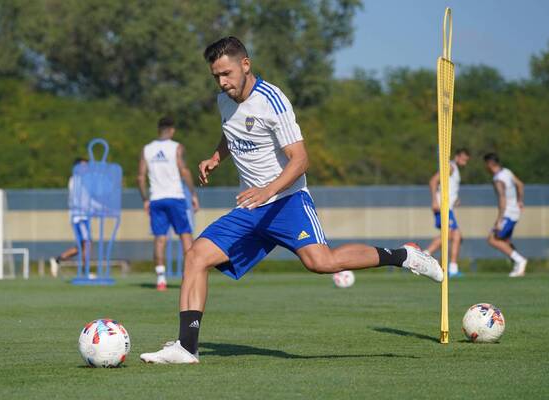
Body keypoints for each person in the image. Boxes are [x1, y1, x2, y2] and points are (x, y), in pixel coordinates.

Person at [140, 36, 443, 364]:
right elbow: (233, 132)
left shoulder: (273, 99)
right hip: (251, 208)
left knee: (321, 263)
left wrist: (267, 190)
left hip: (287, 201)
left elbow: (300, 160)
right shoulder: (224, 101)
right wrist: (216, 156)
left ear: (246, 64)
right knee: (196, 256)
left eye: (226, 73)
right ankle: (187, 347)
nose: (222, 82)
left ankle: (402, 256)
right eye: (216, 76)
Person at [137, 117, 199, 291]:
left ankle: (161, 279)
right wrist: (193, 194)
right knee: (185, 235)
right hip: (176, 197)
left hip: (156, 199)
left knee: (160, 239)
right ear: (172, 130)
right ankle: (190, 275)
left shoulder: (147, 149)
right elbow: (184, 170)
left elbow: (140, 177)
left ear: (159, 130)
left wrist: (145, 200)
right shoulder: (176, 147)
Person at [425, 148, 470, 277]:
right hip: (441, 206)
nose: (465, 162)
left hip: (448, 207)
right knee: (451, 234)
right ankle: (424, 255)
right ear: (457, 156)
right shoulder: (450, 167)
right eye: (463, 159)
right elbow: (433, 181)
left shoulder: (455, 169)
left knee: (456, 235)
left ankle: (453, 268)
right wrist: (434, 201)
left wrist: (455, 199)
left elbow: (449, 188)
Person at [484, 153, 527, 277]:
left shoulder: (498, 179)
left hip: (508, 213)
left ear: (490, 164)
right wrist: (520, 201)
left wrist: (499, 220)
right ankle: (518, 267)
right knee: (505, 240)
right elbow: (520, 185)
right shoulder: (507, 172)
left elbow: (502, 199)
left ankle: (520, 261)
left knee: (492, 239)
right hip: (514, 211)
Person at [50, 158, 91, 277]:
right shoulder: (76, 180)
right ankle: (86, 272)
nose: (86, 168)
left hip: (82, 216)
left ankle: (58, 260)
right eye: (83, 166)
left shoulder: (82, 180)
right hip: (79, 217)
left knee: (81, 246)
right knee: (87, 243)